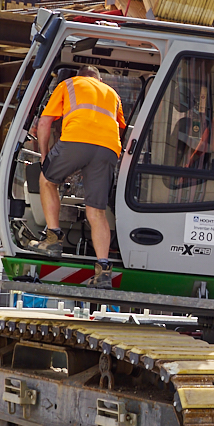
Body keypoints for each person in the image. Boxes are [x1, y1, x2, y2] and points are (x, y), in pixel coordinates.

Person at [31, 65, 125, 288]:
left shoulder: (69, 84)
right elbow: (119, 127)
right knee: (97, 211)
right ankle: (103, 271)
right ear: (98, 79)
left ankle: (53, 239)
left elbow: (44, 122)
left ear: (81, 76)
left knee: (47, 181)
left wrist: (44, 156)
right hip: (109, 148)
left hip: (76, 139)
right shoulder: (112, 94)